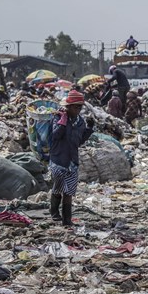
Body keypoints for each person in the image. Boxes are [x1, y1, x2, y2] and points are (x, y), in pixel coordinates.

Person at [49, 90, 94, 227]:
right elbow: (55, 136)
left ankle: (66, 220)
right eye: (75, 107)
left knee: (68, 192)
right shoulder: (58, 118)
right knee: (58, 188)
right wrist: (62, 122)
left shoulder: (80, 122)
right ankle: (54, 212)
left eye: (80, 107)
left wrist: (89, 129)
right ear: (68, 107)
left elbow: (79, 141)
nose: (78, 110)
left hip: (72, 161)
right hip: (58, 159)